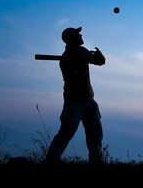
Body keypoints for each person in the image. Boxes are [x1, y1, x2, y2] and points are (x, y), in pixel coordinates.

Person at [45, 27, 105, 163]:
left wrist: (99, 55)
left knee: (96, 134)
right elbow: (73, 79)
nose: (81, 35)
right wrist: (76, 62)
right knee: (66, 133)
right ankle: (50, 161)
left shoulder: (83, 52)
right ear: (71, 39)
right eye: (78, 34)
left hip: (89, 100)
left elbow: (100, 62)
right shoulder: (65, 59)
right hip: (74, 102)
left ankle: (97, 163)